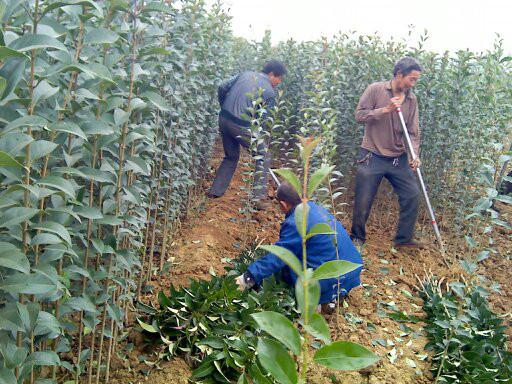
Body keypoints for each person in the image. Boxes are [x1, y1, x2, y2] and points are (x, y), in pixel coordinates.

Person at [236, 182, 363, 313]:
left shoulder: (296, 222)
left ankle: (318, 302)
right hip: (351, 270)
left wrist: (248, 278)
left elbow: (281, 255)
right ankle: (336, 296)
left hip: (330, 280)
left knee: (286, 270)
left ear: (283, 204)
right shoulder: (316, 208)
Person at [351, 57, 424, 249]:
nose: (413, 84)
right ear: (399, 74)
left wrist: (413, 155)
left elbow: (413, 132)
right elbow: (359, 115)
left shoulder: (411, 99)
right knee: (363, 199)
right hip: (372, 154)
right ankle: (357, 238)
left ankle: (403, 240)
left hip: (397, 158)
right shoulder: (375, 89)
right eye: (412, 79)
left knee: (412, 194)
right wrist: (385, 110)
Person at [207, 60, 287, 210]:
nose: (279, 82)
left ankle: (215, 192)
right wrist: (257, 136)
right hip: (241, 125)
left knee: (231, 156)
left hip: (223, 118)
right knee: (263, 156)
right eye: (279, 78)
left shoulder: (245, 74)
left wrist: (224, 106)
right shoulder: (269, 91)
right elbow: (263, 121)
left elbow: (222, 86)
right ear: (271, 74)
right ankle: (258, 198)